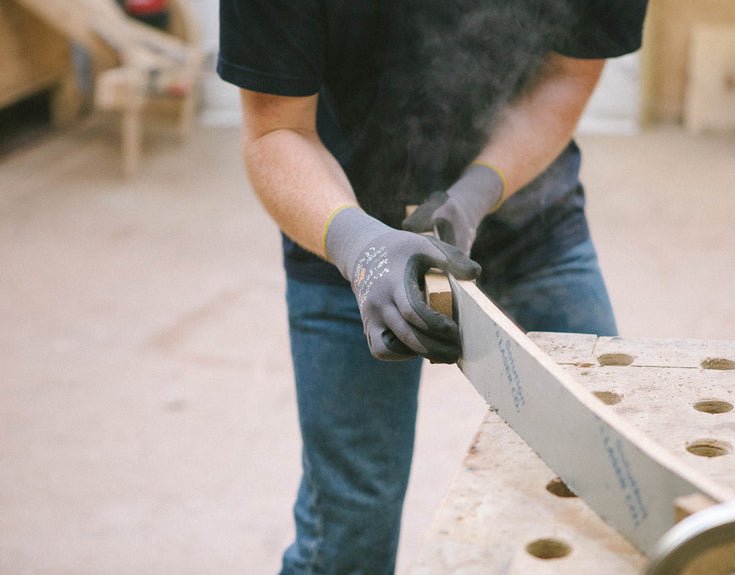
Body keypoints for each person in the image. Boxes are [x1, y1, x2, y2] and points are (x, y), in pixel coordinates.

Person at [218, 1, 648, 573]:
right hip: (339, 229)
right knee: (349, 534)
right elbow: (275, 128)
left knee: (609, 491)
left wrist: (476, 193)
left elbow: (568, 73)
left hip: (531, 228)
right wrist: (361, 248)